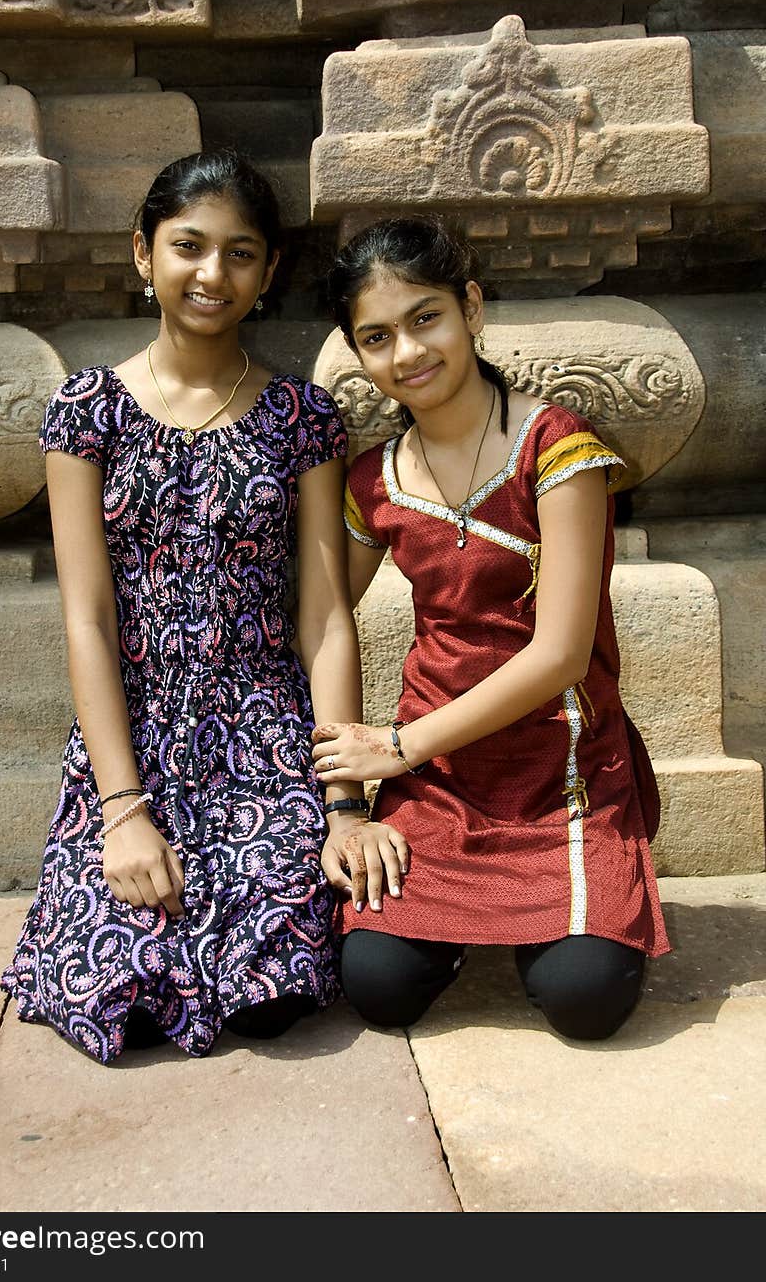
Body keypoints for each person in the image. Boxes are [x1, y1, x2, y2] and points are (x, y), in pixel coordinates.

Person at [1, 149, 367, 1062]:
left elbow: (324, 616)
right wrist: (121, 810)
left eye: (241, 253)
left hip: (264, 731)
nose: (213, 274)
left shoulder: (303, 419)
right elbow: (87, 618)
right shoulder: (87, 412)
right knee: (120, 995)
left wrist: (344, 798)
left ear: (269, 271)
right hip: (136, 733)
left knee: (274, 994)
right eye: (189, 247)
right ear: (144, 253)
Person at [312, 215, 670, 1042]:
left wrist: (395, 746)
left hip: (561, 772)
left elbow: (560, 653)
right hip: (439, 783)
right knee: (377, 985)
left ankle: (575, 908)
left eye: (424, 317)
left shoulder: (554, 446)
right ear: (357, 353)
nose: (407, 352)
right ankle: (455, 932)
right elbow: (326, 617)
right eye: (376, 336)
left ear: (471, 308)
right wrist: (344, 803)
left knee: (585, 998)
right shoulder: (375, 481)